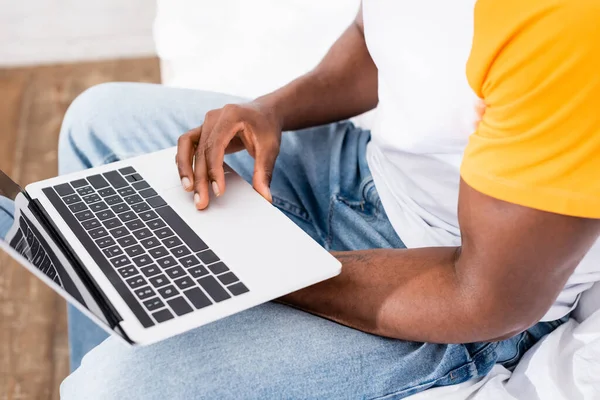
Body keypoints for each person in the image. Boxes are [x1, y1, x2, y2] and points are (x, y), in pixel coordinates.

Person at [60, 1, 600, 398]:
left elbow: (485, 299)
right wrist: (270, 110)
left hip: (457, 288)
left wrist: (264, 268)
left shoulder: (565, 29)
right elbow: (378, 37)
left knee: (110, 388)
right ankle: (130, 329)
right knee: (97, 124)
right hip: (371, 177)